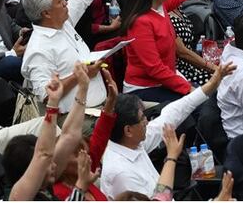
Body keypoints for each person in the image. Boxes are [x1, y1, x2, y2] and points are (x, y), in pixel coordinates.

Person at [98, 64, 235, 198]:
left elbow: (173, 113)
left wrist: (211, 84)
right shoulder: (121, 174)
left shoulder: (131, 142)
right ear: (128, 130)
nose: (147, 122)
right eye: (142, 119)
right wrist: (171, 157)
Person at [20, 0, 107, 113]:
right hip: (75, 121)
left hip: (99, 107)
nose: (66, 2)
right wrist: (81, 75)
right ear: (46, 13)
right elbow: (46, 96)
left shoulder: (63, 22)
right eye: (60, 1)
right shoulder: (38, 49)